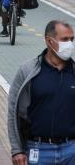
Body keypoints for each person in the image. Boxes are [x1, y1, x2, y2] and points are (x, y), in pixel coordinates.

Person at [8, 20, 75, 165]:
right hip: (38, 151)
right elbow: (13, 112)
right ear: (49, 41)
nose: (70, 44)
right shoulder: (27, 71)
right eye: (65, 39)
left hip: (71, 151)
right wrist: (17, 150)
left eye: (72, 39)